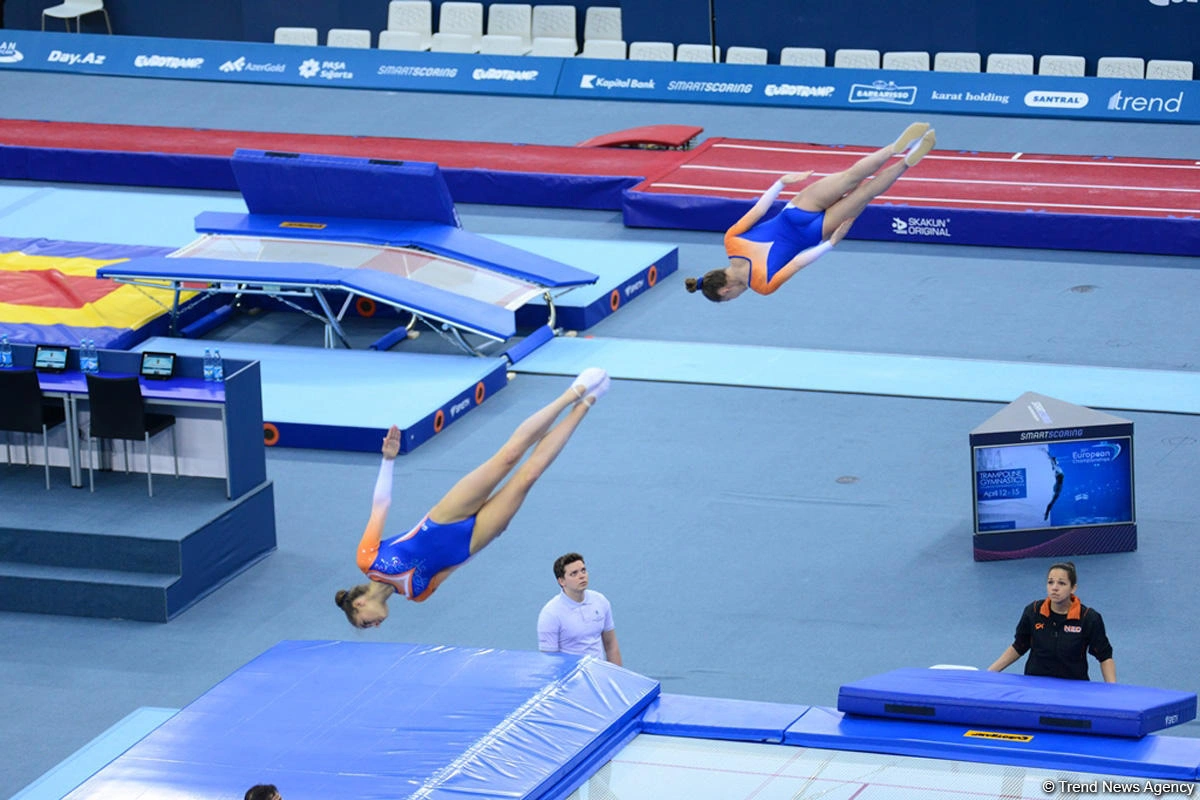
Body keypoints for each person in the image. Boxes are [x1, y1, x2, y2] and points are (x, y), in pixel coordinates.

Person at [334, 368, 610, 628]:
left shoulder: (367, 560)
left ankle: (572, 393)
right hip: (472, 541)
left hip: (443, 518)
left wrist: (388, 460)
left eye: (366, 622)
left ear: (359, 603)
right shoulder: (417, 595)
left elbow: (380, 506)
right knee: (529, 476)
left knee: (508, 457)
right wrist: (492, 534)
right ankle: (587, 403)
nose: (375, 625)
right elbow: (454, 565)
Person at [684, 122, 937, 302]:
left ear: (725, 291)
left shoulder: (762, 286)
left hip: (814, 232)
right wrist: (781, 183)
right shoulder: (731, 242)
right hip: (796, 211)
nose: (736, 298)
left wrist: (831, 244)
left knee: (865, 193)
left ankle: (906, 161)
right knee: (851, 177)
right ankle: (895, 148)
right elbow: (760, 210)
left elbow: (797, 262)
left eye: (731, 299)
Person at [988, 561, 1116, 682]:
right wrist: (989, 673)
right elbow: (1019, 646)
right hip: (1036, 683)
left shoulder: (1089, 618)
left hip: (1074, 686)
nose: (1054, 588)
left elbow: (1104, 657)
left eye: (1061, 583)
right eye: (1050, 582)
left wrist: (1112, 691)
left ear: (1073, 588)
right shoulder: (1033, 611)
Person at [537, 552, 622, 665]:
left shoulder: (600, 601)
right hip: (570, 680)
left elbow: (611, 645)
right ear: (561, 581)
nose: (582, 576)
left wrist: (617, 678)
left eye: (583, 570)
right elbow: (550, 661)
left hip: (598, 676)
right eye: (574, 573)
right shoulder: (550, 614)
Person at [1044, 454, 1064, 520]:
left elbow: (1053, 464)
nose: (1057, 461)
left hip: (1057, 487)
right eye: (1056, 460)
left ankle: (1046, 513)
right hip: (1057, 487)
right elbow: (1053, 463)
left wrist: (1050, 457)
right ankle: (1046, 513)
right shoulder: (1057, 469)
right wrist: (1050, 457)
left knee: (1052, 501)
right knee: (1052, 501)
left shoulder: (1056, 469)